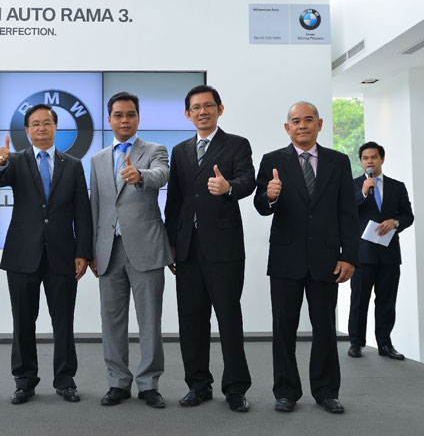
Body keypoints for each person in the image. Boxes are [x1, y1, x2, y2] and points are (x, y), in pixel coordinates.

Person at [253, 101, 359, 414]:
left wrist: (350, 256)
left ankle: (326, 391)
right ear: (287, 128)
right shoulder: (272, 160)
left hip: (327, 259)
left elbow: (348, 212)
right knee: (283, 327)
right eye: (296, 121)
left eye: (308, 120)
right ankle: (286, 391)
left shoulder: (338, 161)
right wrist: (270, 196)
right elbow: (261, 205)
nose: (302, 125)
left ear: (319, 124)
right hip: (286, 257)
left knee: (325, 327)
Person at [0, 104, 92, 405]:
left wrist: (83, 251)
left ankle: (65, 379)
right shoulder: (15, 161)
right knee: (23, 321)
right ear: (27, 130)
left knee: (64, 321)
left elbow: (82, 212)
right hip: (23, 254)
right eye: (35, 124)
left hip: (63, 253)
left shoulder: (73, 164)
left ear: (56, 127)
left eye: (47, 123)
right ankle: (24, 380)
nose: (41, 128)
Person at [165, 85, 254, 412]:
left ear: (220, 109)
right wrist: (171, 243)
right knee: (191, 320)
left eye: (208, 106)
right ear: (187, 114)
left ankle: (236, 388)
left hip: (224, 248)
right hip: (188, 248)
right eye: (196, 108)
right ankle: (198, 385)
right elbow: (174, 200)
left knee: (229, 319)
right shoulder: (180, 150)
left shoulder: (237, 145)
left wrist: (229, 187)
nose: (202, 112)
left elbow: (248, 181)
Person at [89, 92, 173, 408]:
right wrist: (92, 250)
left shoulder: (154, 150)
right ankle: (117, 382)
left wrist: (140, 176)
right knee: (111, 321)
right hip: (108, 250)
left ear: (138, 118)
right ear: (109, 119)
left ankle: (149, 384)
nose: (124, 120)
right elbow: (96, 206)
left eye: (130, 114)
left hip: (146, 248)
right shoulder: (97, 159)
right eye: (119, 115)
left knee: (150, 320)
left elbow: (161, 175)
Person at [347, 141, 414, 360]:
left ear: (382, 159)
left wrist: (395, 222)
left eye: (374, 157)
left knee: (387, 300)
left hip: (389, 253)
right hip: (362, 253)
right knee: (359, 300)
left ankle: (385, 343)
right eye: (365, 158)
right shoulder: (353, 186)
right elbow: (346, 212)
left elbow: (408, 215)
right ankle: (356, 343)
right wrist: (363, 193)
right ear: (361, 161)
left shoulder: (397, 186)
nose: (370, 161)